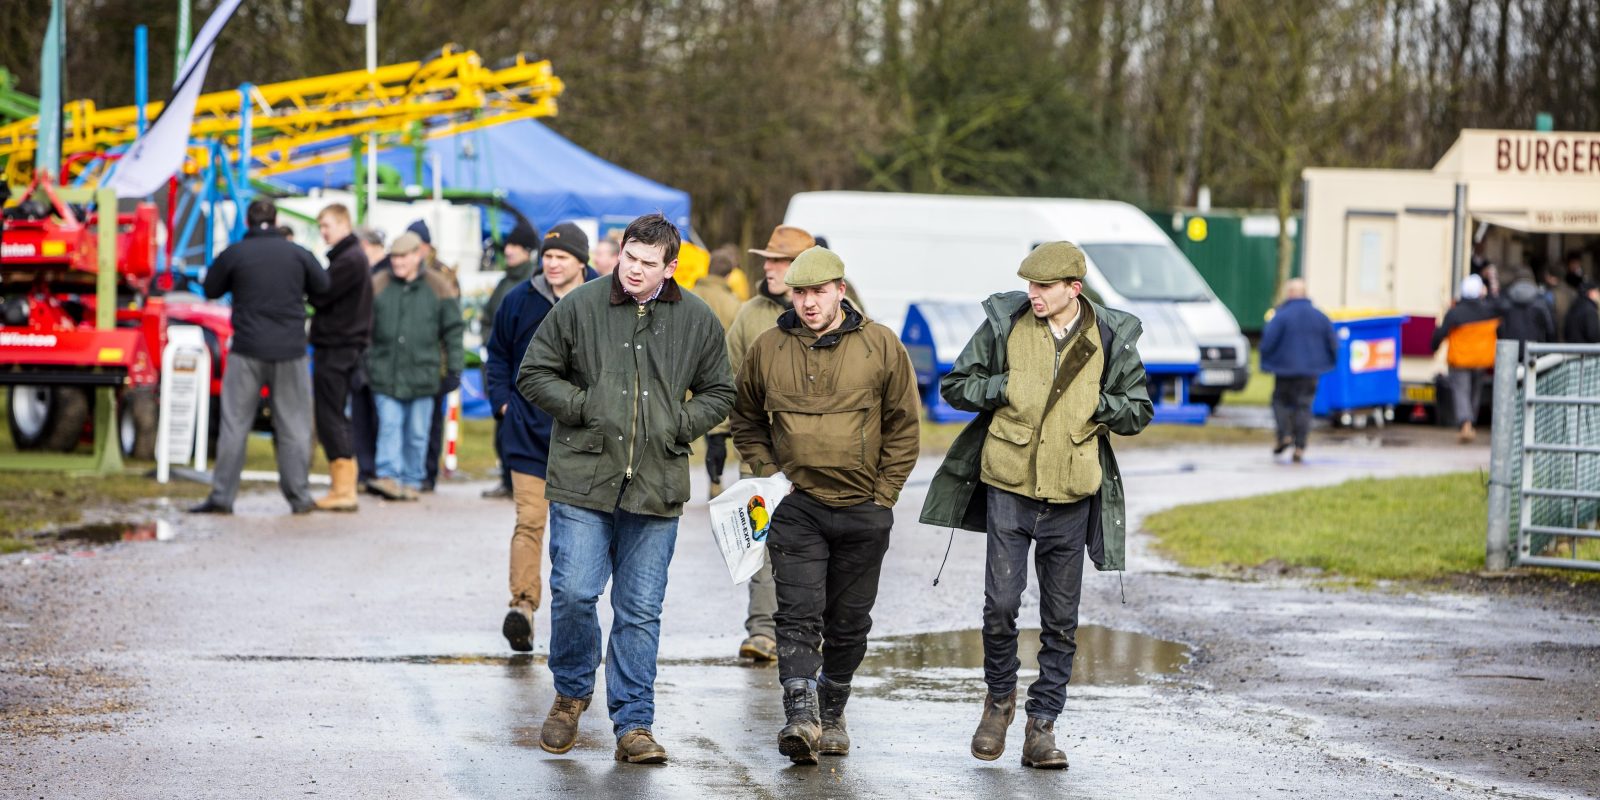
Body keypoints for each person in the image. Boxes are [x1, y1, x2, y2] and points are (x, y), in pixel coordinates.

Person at [920, 241, 1152, 770]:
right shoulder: (1006, 324)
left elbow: (1139, 410)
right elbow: (956, 386)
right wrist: (1003, 386)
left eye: (1044, 286)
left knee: (1061, 621)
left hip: (1072, 496)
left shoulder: (1110, 335)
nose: (1034, 295)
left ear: (1074, 288)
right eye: (1029, 285)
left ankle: (1042, 726)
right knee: (1000, 606)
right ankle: (999, 702)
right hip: (1009, 486)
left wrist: (1099, 404)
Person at [517, 213, 734, 764]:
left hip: (657, 484)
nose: (632, 270)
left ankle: (634, 724)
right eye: (627, 257)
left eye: (646, 262)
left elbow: (720, 391)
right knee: (573, 591)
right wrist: (585, 407)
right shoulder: (581, 306)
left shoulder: (698, 319)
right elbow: (534, 372)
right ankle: (570, 694)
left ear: (671, 266)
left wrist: (680, 425)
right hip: (584, 477)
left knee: (639, 610)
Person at [729, 247, 920, 765]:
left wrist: (885, 495)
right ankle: (800, 715)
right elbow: (744, 417)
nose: (809, 303)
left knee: (849, 621)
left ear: (840, 290)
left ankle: (832, 710)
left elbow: (904, 426)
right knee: (796, 615)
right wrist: (770, 476)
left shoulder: (881, 345)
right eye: (800, 293)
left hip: (864, 507)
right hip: (798, 506)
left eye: (818, 292)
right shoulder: (768, 347)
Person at [489, 222, 596, 652]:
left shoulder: (601, 300)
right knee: (530, 521)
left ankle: (572, 621)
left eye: (562, 257)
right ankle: (523, 607)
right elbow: (497, 354)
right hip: (527, 434)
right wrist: (502, 403)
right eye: (548, 256)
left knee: (575, 534)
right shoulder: (519, 300)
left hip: (583, 439)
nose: (552, 264)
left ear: (580, 263)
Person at [189, 198, 330, 515]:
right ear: (276, 219)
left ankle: (222, 497)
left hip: (247, 351)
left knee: (234, 424)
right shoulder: (297, 253)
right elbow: (324, 287)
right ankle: (300, 497)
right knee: (294, 425)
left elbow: (211, 288)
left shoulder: (236, 253)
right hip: (290, 351)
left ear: (248, 222)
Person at [724, 223, 816, 662]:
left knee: (812, 550)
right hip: (760, 456)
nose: (768, 267)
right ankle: (762, 632)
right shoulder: (750, 314)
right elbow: (726, 380)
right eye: (767, 259)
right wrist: (722, 441)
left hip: (819, 460)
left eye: (779, 260)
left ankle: (808, 633)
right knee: (759, 545)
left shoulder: (839, 309)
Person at [365, 232, 465, 500]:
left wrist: (455, 369)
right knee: (389, 426)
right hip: (385, 372)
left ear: (416, 256)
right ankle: (388, 476)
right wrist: (365, 361)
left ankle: (411, 480)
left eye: (402, 257)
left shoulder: (438, 286)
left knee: (418, 433)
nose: (397, 262)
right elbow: (364, 327)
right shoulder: (378, 284)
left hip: (424, 374)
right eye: (394, 256)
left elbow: (454, 331)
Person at [308, 204, 374, 512]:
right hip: (342, 346)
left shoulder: (348, 259)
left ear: (345, 224)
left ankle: (344, 488)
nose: (324, 231)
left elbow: (322, 294)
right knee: (334, 415)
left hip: (338, 347)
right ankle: (342, 484)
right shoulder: (350, 256)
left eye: (328, 225)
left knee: (330, 416)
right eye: (321, 226)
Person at [480, 222, 542, 501]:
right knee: (502, 428)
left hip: (527, 369)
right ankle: (507, 479)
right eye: (508, 245)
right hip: (502, 363)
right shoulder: (505, 282)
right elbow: (487, 318)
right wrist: (488, 339)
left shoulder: (532, 283)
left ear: (529, 251)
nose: (509, 250)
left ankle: (523, 483)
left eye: (516, 246)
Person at [404, 218, 461, 493]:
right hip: (406, 360)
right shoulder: (399, 269)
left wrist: (452, 366)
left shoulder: (441, 275)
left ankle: (427, 472)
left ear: (426, 246)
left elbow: (452, 323)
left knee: (431, 422)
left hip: (434, 362)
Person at [1259, 279, 1337, 464]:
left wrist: (1267, 362)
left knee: (1279, 401)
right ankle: (1300, 446)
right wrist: (1328, 362)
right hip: (1310, 372)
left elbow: (1268, 341)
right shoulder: (1320, 316)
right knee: (1304, 406)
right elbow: (1333, 342)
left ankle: (1285, 434)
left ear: (1290, 293)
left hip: (1284, 370)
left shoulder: (1281, 315)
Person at [691, 245, 743, 498]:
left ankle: (710, 479)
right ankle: (716, 480)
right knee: (718, 434)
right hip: (722, 374)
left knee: (699, 430)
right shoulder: (734, 304)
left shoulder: (689, 295)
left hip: (691, 375)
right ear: (729, 274)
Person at [1431, 274, 1501, 443]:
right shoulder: (1490, 311)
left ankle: (1465, 423)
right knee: (1474, 393)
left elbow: (1441, 333)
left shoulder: (1455, 313)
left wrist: (1434, 347)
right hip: (1482, 360)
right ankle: (1470, 422)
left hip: (1460, 360)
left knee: (1461, 391)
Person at [352, 226, 389, 489]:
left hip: (381, 355)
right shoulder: (364, 273)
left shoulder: (387, 274)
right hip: (361, 355)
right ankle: (365, 471)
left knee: (382, 419)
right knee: (361, 417)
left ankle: (378, 471)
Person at [1498, 267, 1556, 355]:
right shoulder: (1541, 300)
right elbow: (1550, 329)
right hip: (1535, 352)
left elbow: (1499, 327)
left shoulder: (1505, 299)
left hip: (1509, 352)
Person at [1563, 281, 1600, 345]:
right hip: (1585, 350)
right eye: (1596, 291)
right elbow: (1593, 335)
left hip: (1572, 348)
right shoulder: (1590, 310)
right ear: (1590, 293)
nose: (1598, 294)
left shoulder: (1575, 305)